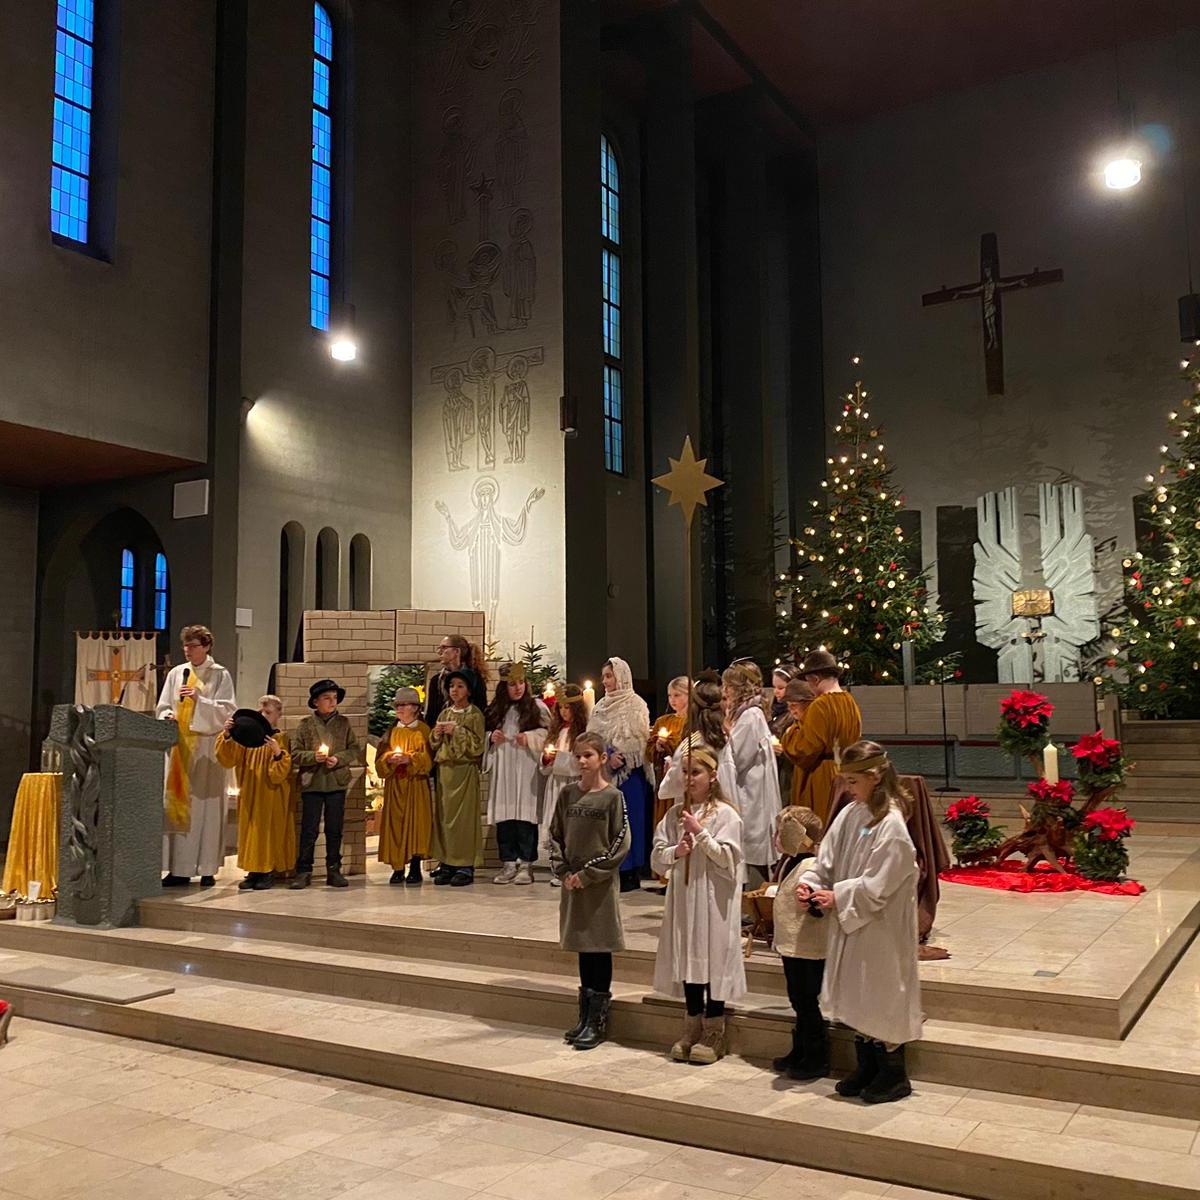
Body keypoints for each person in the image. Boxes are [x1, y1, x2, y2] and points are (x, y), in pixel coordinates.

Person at [795, 740, 920, 1105]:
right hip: (856, 921)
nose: (847, 789)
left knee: (881, 991)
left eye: (853, 781)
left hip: (881, 924)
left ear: (876, 776)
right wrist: (811, 883)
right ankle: (867, 1065)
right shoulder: (853, 814)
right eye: (845, 780)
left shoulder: (891, 824)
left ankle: (894, 1073)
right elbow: (828, 858)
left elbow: (882, 883)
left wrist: (839, 896)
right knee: (860, 990)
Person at [651, 747, 745, 1066]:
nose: (689, 779)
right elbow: (657, 854)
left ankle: (714, 1029)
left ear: (713, 776)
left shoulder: (726, 814)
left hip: (713, 897)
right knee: (690, 955)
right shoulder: (674, 813)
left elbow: (728, 859)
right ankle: (692, 1024)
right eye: (685, 772)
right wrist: (677, 851)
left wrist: (700, 833)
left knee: (713, 956)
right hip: (685, 894)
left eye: (696, 772)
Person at [550, 731, 631, 1052]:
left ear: (601, 759)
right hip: (573, 884)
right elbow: (555, 835)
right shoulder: (567, 794)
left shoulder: (613, 798)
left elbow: (619, 843)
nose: (582, 761)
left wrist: (588, 874)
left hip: (597, 886)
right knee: (584, 948)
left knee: (600, 948)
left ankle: (598, 1020)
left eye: (589, 756)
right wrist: (565, 871)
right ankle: (584, 1016)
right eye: (578, 755)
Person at [159, 624, 237, 888]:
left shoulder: (219, 675)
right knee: (180, 807)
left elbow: (227, 711)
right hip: (180, 748)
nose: (187, 650)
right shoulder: (176, 673)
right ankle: (179, 869)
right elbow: (164, 704)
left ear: (206, 646)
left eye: (193, 645)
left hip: (206, 750)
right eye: (185, 645)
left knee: (207, 809)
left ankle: (206, 867)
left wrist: (200, 699)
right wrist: (167, 715)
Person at [769, 805, 830, 1080]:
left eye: (781, 831)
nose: (776, 837)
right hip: (792, 944)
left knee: (806, 999)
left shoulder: (811, 865)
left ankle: (816, 1056)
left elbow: (818, 902)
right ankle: (801, 1049)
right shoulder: (790, 862)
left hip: (809, 946)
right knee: (797, 998)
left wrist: (811, 903)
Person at [587, 657, 653, 893]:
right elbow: (593, 738)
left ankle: (630, 871)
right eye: (604, 676)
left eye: (609, 676)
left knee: (629, 822)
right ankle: (609, 868)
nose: (605, 681)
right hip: (605, 773)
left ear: (622, 677)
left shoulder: (636, 704)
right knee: (608, 824)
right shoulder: (600, 707)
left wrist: (621, 756)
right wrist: (606, 755)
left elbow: (639, 739)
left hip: (629, 776)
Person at [215, 697, 293, 891]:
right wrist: (227, 735)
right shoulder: (248, 739)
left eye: (267, 712)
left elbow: (281, 773)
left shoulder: (281, 738)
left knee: (267, 831)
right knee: (251, 830)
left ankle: (267, 870)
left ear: (277, 715)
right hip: (250, 792)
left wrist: (277, 753)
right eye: (260, 712)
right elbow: (228, 759)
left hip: (271, 795)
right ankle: (253, 870)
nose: (263, 716)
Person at [289, 679, 361, 889]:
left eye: (335, 698)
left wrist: (338, 759)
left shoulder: (344, 723)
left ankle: (334, 869)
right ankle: (304, 870)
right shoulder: (305, 725)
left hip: (336, 783)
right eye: (327, 698)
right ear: (316, 702)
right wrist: (314, 756)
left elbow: (354, 749)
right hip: (312, 783)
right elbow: (295, 754)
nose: (332, 702)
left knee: (334, 828)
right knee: (309, 829)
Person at [486, 662, 551, 884]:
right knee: (506, 819)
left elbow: (549, 735)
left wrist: (530, 738)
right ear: (504, 687)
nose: (518, 688)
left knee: (525, 818)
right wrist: (491, 738)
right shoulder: (496, 710)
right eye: (512, 684)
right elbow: (485, 735)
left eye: (521, 682)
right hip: (504, 769)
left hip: (526, 769)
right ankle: (508, 863)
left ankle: (526, 864)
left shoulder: (537, 707)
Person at [721, 663, 781, 888]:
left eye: (728, 686)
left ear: (740, 687)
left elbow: (736, 756)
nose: (725, 691)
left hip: (752, 792)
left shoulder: (750, 716)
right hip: (751, 788)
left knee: (752, 846)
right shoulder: (746, 713)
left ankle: (753, 906)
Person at [783, 650, 862, 822]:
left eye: (808, 681)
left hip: (820, 777)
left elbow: (806, 749)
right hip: (844, 772)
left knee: (819, 825)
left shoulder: (821, 705)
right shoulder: (850, 702)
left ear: (815, 679)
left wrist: (790, 734)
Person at [429, 668, 486, 886]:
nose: (455, 690)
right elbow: (434, 743)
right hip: (445, 771)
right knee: (444, 818)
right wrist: (435, 734)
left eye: (460, 686)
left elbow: (477, 746)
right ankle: (447, 862)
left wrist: (458, 732)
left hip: (464, 771)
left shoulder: (474, 715)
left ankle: (464, 864)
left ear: (469, 691)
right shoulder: (445, 713)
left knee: (463, 820)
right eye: (452, 686)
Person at [376, 687, 434, 887]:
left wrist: (411, 758)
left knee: (416, 824)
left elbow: (430, 760)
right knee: (395, 825)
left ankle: (415, 867)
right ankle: (398, 868)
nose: (399, 709)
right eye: (397, 705)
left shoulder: (424, 731)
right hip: (395, 786)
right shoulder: (391, 732)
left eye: (404, 705)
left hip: (416, 785)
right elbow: (380, 759)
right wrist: (388, 759)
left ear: (415, 708)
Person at [657, 673, 736, 805]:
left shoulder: (691, 744)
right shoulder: (725, 737)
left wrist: (672, 768)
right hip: (725, 807)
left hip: (697, 810)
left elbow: (670, 788)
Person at [539, 683, 589, 886]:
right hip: (556, 784)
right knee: (557, 825)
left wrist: (558, 759)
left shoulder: (583, 732)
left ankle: (575, 867)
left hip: (573, 784)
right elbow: (544, 765)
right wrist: (546, 760)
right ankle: (559, 868)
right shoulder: (556, 731)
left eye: (567, 708)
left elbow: (580, 763)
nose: (563, 712)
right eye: (560, 708)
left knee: (572, 827)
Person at [424, 635, 488, 728]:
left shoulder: (474, 678)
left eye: (444, 648)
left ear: (457, 651)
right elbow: (431, 714)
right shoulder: (436, 680)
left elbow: (481, 710)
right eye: (439, 648)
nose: (439, 652)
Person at [648, 676, 689, 806]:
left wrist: (670, 745)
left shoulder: (692, 721)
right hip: (663, 776)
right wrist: (657, 747)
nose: (672, 699)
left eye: (677, 695)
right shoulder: (663, 721)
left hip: (682, 777)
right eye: (670, 695)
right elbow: (648, 751)